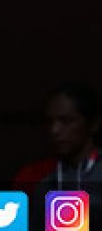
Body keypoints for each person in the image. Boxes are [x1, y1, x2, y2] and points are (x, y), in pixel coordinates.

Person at [18, 82, 101, 228]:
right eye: (51, 122)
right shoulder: (43, 182)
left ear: (94, 124)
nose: (54, 130)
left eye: (66, 121)